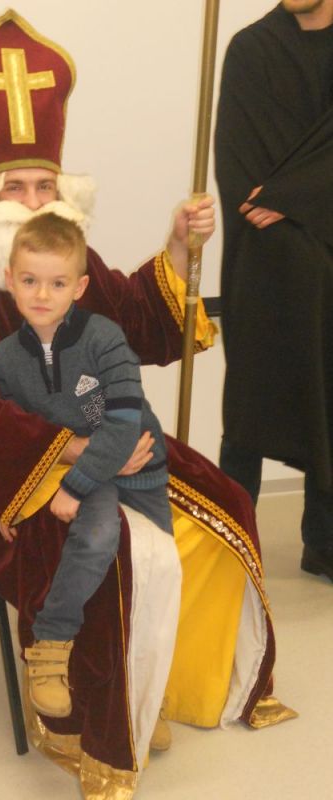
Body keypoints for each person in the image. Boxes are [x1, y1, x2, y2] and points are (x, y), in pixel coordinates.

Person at [0, 10, 295, 798]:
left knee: (223, 503)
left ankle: (165, 682)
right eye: (14, 187)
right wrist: (76, 458)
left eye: (43, 186)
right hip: (1, 480)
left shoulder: (65, 264)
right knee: (108, 545)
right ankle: (86, 721)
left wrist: (181, 246)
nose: (30, 202)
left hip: (100, 447)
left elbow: (140, 319)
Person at [0, 213, 173, 719]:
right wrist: (12, 498)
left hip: (137, 466)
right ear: (10, 280)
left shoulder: (105, 338)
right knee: (96, 538)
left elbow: (124, 423)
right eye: (29, 280)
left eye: (57, 283)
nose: (41, 294)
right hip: (92, 472)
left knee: (157, 568)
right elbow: (16, 436)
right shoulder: (6, 358)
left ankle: (145, 696)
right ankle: (50, 646)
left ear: (79, 287)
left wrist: (75, 484)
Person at [215, 0, 333, 581]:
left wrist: (293, 197)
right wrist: (289, 208)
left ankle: (325, 543)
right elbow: (239, 166)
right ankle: (226, 542)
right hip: (264, 259)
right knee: (249, 405)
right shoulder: (252, 49)